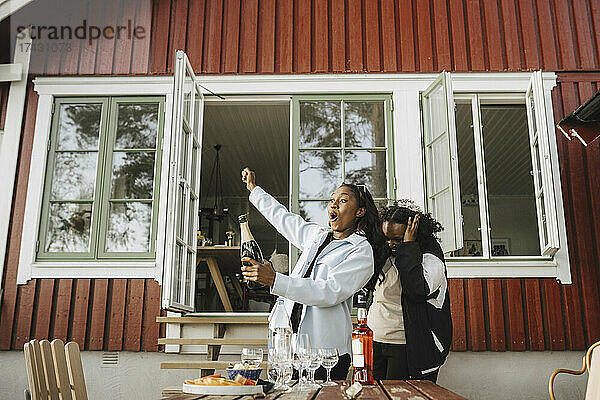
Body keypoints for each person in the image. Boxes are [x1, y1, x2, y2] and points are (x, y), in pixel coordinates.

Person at [240, 167, 387, 380]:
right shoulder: (317, 236)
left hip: (326, 354)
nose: (334, 204)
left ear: (360, 211)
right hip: (289, 348)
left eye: (343, 200)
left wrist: (274, 280)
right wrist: (254, 190)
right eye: (332, 199)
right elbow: (283, 218)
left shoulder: (361, 251)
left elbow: (328, 292)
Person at [367, 204, 452, 382]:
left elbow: (417, 289)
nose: (391, 244)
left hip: (404, 344)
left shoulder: (430, 257)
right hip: (375, 338)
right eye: (387, 238)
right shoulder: (384, 252)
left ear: (412, 233)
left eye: (397, 239)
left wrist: (408, 246)